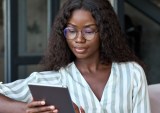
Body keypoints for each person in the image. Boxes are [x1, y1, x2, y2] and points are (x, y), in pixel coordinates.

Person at [0, 0, 151, 113]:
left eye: (89, 31)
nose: (79, 39)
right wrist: (26, 109)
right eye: (71, 31)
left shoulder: (132, 73)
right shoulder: (52, 80)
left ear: (105, 33)